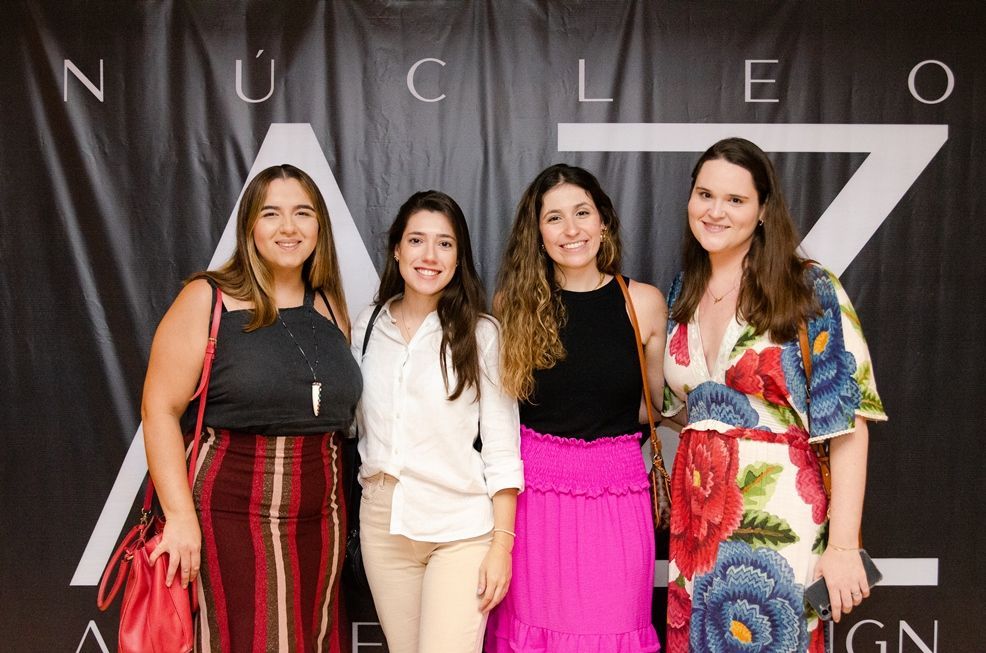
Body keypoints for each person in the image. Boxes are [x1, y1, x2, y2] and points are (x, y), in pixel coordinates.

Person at [661, 137, 888, 652]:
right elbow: (678, 411)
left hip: (780, 516)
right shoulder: (682, 293)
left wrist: (845, 544)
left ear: (764, 211)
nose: (715, 211)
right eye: (705, 194)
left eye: (736, 200)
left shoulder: (809, 290)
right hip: (697, 518)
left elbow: (848, 423)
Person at [141, 164, 361, 652]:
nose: (289, 227)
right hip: (229, 509)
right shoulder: (208, 298)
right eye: (272, 214)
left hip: (320, 511)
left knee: (311, 638)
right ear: (249, 228)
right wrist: (179, 516)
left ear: (320, 226)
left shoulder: (330, 305)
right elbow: (158, 409)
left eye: (302, 213)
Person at [486, 164, 665, 653]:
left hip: (617, 497)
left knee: (611, 632)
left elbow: (653, 406)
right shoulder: (511, 305)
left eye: (582, 213)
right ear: (537, 233)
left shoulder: (642, 303)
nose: (571, 230)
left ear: (602, 221)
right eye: (554, 218)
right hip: (531, 504)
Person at [352, 190, 523, 653]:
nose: (429, 256)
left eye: (444, 244)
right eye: (417, 241)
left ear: (459, 256)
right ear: (396, 249)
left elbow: (504, 450)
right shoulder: (368, 326)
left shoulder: (482, 333)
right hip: (383, 527)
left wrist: (501, 548)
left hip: (460, 530)